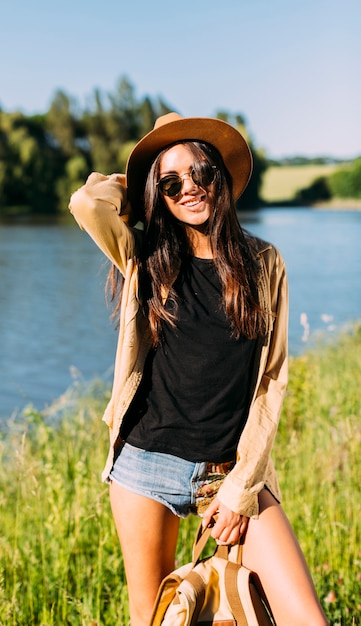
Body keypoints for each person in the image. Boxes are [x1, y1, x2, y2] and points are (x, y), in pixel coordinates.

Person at [69, 112, 328, 626]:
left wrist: (239, 490)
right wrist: (147, 179)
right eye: (171, 182)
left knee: (306, 618)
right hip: (144, 467)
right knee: (151, 617)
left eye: (201, 173)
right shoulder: (146, 256)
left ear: (220, 177)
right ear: (156, 193)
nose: (189, 188)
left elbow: (271, 380)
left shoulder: (264, 263)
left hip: (228, 473)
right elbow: (86, 202)